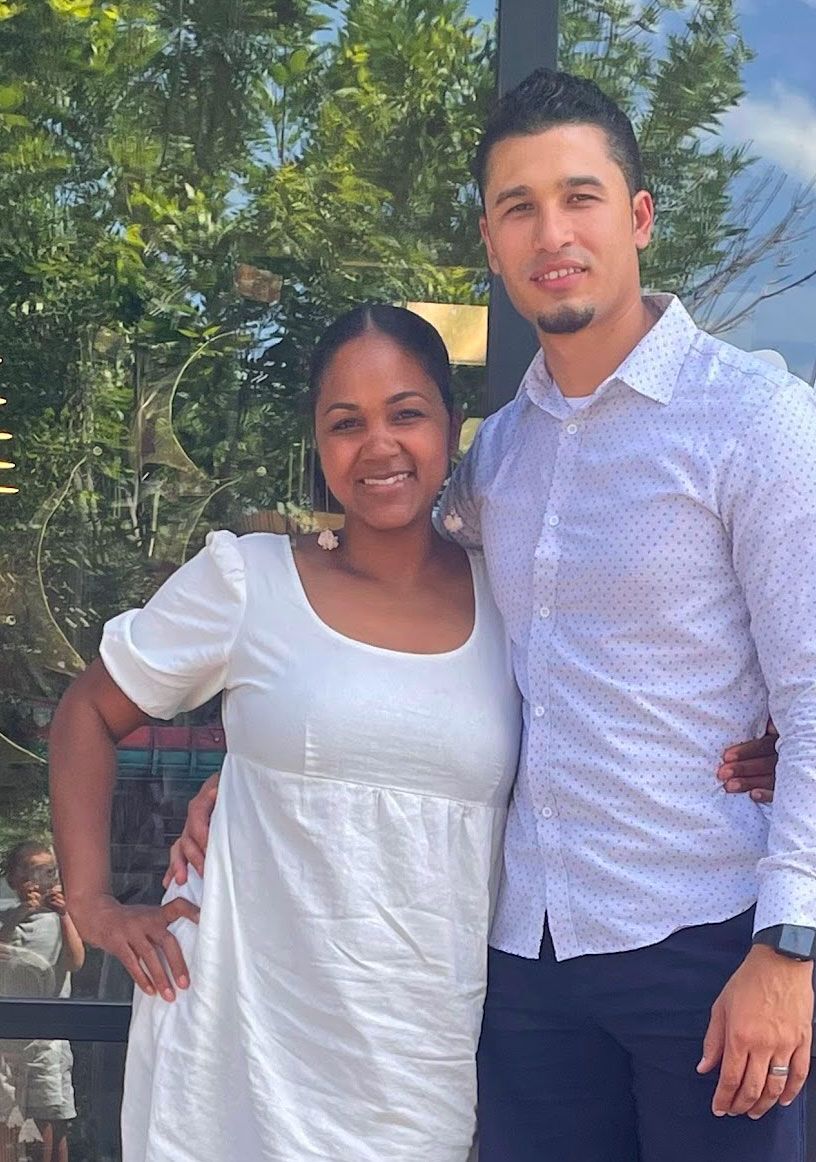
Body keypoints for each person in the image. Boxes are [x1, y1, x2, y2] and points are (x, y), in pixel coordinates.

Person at [167, 69, 816, 1162]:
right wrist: (258, 756)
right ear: (490, 243)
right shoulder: (494, 453)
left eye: (579, 197)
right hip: (522, 955)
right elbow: (395, 592)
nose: (553, 232)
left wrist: (787, 947)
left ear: (637, 217)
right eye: (518, 206)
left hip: (704, 939)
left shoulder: (758, 426)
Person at [47, 304, 526, 1162]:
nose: (378, 446)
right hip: (237, 1038)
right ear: (318, 443)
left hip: (419, 1058)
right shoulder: (248, 581)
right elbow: (87, 713)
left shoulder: (514, 601)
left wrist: (761, 747)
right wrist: (92, 903)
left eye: (407, 413)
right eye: (346, 423)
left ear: (454, 428)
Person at [0, 841, 84, 1162]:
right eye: (30, 871)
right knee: (9, 1123)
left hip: (47, 1040)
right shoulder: (6, 918)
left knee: (51, 1121)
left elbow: (76, 962)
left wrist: (63, 914)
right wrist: (21, 912)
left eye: (47, 871)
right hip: (7, 1042)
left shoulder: (61, 919)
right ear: (12, 879)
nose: (39, 879)